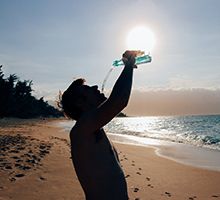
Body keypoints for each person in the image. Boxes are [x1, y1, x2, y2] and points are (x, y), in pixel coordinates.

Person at [60, 50, 138, 200]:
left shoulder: (94, 129)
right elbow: (119, 100)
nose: (95, 87)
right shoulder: (81, 131)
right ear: (80, 103)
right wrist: (128, 65)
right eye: (88, 89)